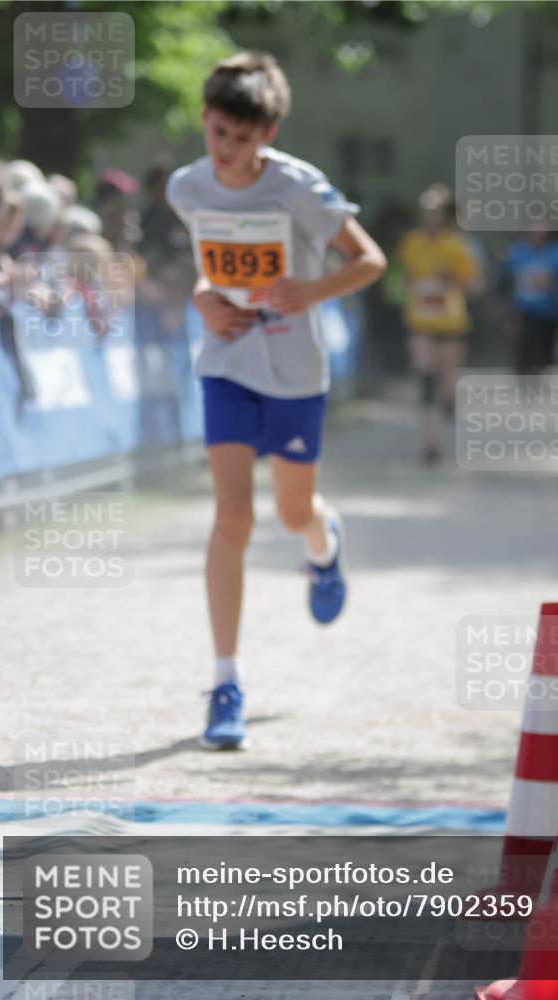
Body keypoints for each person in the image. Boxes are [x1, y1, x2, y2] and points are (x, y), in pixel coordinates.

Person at [166, 50, 386, 750]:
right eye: (217, 133)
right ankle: (225, 681)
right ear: (204, 118)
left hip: (294, 370)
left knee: (295, 512)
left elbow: (370, 259)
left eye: (241, 137)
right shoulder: (186, 187)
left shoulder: (300, 188)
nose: (226, 150)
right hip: (226, 363)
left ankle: (324, 548)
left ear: (268, 131)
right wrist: (202, 299)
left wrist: (311, 291)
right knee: (232, 514)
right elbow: (206, 268)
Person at [396, 184, 480, 462]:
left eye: (435, 212)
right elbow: (403, 278)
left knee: (445, 378)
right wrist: (412, 286)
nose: (430, 217)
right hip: (420, 320)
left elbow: (474, 284)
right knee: (426, 376)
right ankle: (431, 442)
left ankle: (450, 398)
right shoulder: (411, 243)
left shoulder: (457, 246)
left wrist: (450, 281)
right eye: (426, 212)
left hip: (451, 323)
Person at [498, 223, 558, 375]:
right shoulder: (516, 251)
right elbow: (503, 279)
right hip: (523, 311)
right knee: (525, 349)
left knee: (544, 354)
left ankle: (539, 379)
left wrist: (553, 280)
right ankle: (523, 376)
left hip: (549, 311)